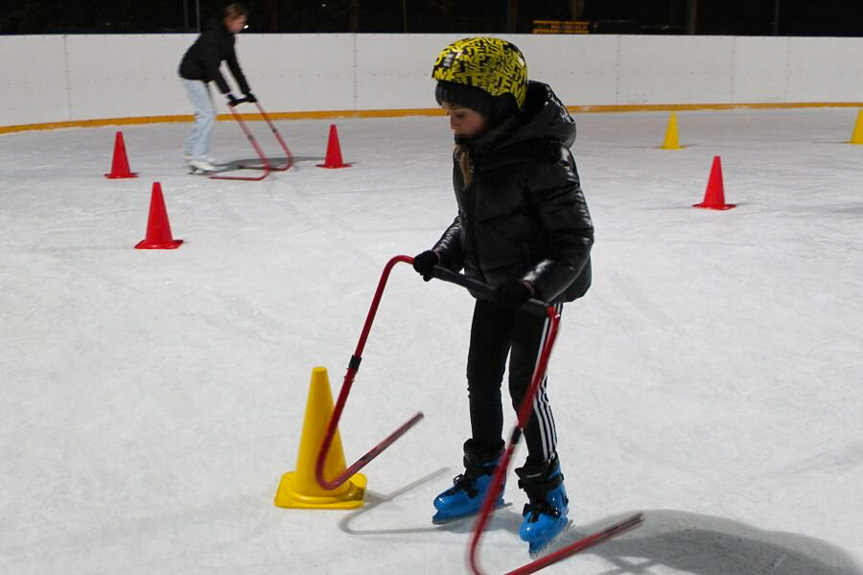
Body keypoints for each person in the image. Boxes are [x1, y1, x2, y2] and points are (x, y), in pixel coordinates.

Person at [413, 37, 594, 556]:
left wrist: (533, 285)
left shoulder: (544, 156)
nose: (451, 123)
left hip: (537, 292)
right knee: (480, 377)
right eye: (448, 112)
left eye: (461, 112)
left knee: (523, 388)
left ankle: (547, 490)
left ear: (495, 106)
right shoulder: (473, 149)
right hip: (491, 283)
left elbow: (575, 239)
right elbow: (471, 220)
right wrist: (443, 253)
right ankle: (486, 474)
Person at [178, 3, 256, 173]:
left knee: (204, 114)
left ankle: (191, 153)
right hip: (191, 74)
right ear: (230, 20)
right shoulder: (211, 36)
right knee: (207, 114)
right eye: (240, 22)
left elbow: (233, 66)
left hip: (201, 75)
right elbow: (213, 68)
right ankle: (199, 157)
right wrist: (228, 93)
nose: (242, 26)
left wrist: (246, 90)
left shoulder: (229, 37)